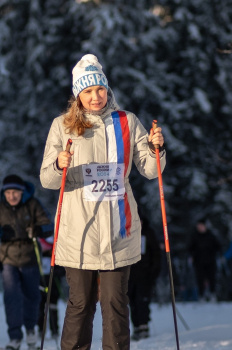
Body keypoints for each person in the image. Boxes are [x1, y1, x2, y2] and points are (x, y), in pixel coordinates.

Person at [39, 53, 166, 350]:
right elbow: (47, 179)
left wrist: (156, 148)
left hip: (118, 231)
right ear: (77, 95)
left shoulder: (127, 121)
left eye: (99, 89)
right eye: (87, 91)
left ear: (107, 88)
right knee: (80, 305)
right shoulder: (62, 126)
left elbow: (150, 169)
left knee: (116, 305)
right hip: (78, 234)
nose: (95, 97)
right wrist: (59, 164)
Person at [0, 175, 52, 350]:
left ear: (22, 192)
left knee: (32, 296)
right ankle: (14, 336)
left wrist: (38, 229)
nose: (12, 196)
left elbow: (48, 226)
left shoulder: (33, 204)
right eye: (8, 192)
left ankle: (30, 329)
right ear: (3, 193)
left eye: (15, 192)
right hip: (8, 258)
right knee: (11, 297)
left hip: (30, 257)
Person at [127, 213, 161, 340]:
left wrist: (154, 272)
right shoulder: (127, 232)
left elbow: (156, 253)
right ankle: (136, 325)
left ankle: (143, 325)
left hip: (145, 275)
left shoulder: (148, 233)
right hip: (130, 275)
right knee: (132, 301)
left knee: (143, 300)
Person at [36, 235, 65, 341]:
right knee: (40, 306)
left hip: (53, 280)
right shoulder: (38, 243)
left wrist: (58, 272)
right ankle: (40, 330)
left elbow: (62, 266)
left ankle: (54, 330)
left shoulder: (56, 243)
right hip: (40, 280)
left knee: (52, 305)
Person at [188, 218, 221, 302]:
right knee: (200, 278)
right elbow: (190, 248)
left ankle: (212, 294)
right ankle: (201, 295)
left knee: (212, 278)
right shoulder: (194, 236)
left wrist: (216, 254)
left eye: (201, 226)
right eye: (198, 226)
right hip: (198, 261)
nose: (200, 227)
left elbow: (218, 246)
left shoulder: (210, 235)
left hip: (210, 261)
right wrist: (191, 256)